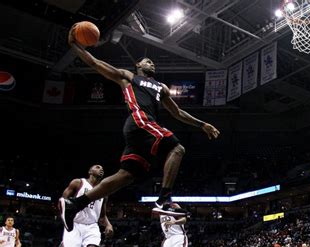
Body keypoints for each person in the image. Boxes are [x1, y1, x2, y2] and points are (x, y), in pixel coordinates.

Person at [59, 24, 220, 232]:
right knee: (177, 148)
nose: (151, 62)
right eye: (147, 60)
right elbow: (96, 63)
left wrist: (202, 124)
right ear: (138, 65)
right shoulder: (128, 77)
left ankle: (75, 205)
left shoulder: (161, 88)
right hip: (140, 120)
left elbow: (177, 112)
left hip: (141, 130)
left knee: (126, 176)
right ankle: (164, 199)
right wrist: (74, 45)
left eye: (153, 62)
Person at [39, 165, 113, 247]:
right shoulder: (78, 183)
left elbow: (102, 216)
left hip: (92, 226)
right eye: (97, 167)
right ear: (90, 171)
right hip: (74, 224)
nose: (101, 169)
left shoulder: (104, 191)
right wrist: (64, 219)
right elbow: (62, 203)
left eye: (102, 168)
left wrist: (108, 225)